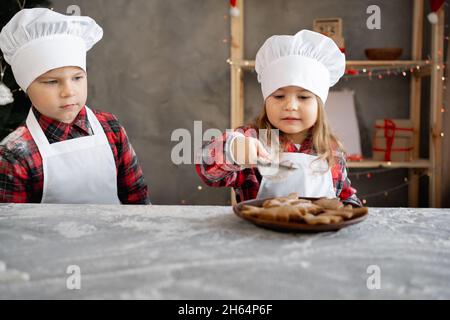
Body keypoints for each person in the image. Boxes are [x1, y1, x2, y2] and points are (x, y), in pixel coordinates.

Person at [0, 8, 149, 204]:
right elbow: (12, 228)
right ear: (26, 86)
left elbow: (136, 197)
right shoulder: (14, 153)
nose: (69, 91)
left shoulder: (110, 127)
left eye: (77, 78)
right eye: (52, 82)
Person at [196, 30, 361, 206]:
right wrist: (232, 149)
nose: (290, 105)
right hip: (258, 233)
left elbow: (346, 197)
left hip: (319, 232)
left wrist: (351, 207)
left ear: (319, 105)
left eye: (304, 97)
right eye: (279, 96)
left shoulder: (332, 150)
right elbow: (208, 171)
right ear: (266, 101)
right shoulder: (250, 139)